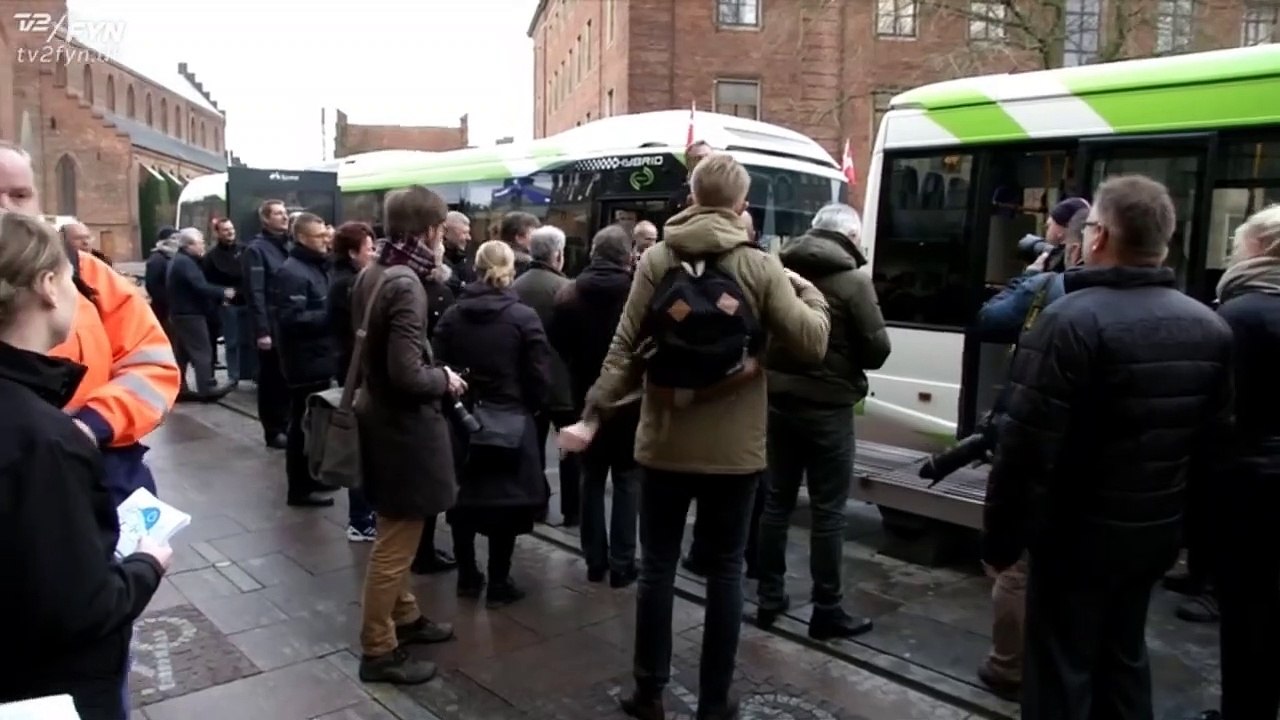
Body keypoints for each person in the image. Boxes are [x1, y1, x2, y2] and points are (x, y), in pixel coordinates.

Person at [560, 153, 831, 720]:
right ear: (741, 204)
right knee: (727, 572)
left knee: (657, 568)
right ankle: (713, 702)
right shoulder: (759, 265)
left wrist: (593, 413)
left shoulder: (657, 258)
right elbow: (811, 345)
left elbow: (624, 347)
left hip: (663, 443)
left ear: (690, 197)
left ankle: (648, 692)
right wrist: (811, 294)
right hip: (736, 452)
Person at [981, 175, 1233, 719]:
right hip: (1153, 536)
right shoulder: (1209, 326)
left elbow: (1024, 451)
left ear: (1099, 236)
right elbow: (1213, 454)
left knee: (1060, 672)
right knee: (1124, 658)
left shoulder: (1069, 321)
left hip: (1074, 539)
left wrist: (1000, 542)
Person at [0, 212, 173, 720]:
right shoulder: (42, 439)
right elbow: (80, 607)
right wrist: (148, 564)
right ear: (50, 286)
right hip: (50, 688)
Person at [0, 141, 179, 508]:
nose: (6, 208)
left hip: (100, 469)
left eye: (20, 194)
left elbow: (153, 365)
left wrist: (90, 424)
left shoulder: (86, 274)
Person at [756, 202, 890, 640]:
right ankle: (826, 609)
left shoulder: (776, 272)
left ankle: (769, 596)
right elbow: (877, 350)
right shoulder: (853, 283)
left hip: (777, 404)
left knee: (776, 502)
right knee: (828, 512)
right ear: (850, 237)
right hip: (828, 410)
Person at [351, 186, 460, 685]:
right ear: (432, 231)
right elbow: (408, 373)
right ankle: (378, 649)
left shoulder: (373, 272)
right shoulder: (407, 284)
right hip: (404, 430)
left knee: (396, 526)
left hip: (380, 421)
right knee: (397, 541)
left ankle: (406, 616)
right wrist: (446, 379)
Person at [1194, 204, 1280, 720]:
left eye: (1239, 244)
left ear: (1261, 249)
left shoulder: (1237, 316)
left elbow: (1215, 414)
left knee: (1247, 613)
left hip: (1249, 490)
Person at [437, 240, 552, 607]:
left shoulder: (453, 315)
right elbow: (538, 374)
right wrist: (531, 408)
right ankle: (500, 582)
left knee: (464, 497)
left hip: (462, 417)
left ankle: (468, 576)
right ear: (510, 270)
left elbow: (438, 363)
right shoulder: (523, 317)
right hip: (510, 418)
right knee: (507, 501)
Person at [547, 224, 640, 587]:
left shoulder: (568, 293)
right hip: (626, 400)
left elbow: (558, 343)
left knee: (592, 478)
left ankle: (594, 560)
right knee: (628, 480)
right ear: (626, 256)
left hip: (583, 395)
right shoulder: (636, 293)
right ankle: (623, 562)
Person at [512, 225, 579, 527]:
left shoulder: (516, 286)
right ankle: (572, 510)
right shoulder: (567, 288)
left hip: (529, 382)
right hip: (564, 383)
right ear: (557, 255)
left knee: (534, 448)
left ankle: (536, 505)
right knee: (569, 449)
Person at [272, 212, 337, 508]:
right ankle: (298, 488)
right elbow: (291, 318)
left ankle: (313, 477)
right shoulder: (293, 272)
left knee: (314, 424)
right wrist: (332, 315)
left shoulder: (315, 267)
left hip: (319, 358)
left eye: (326, 234)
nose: (326, 240)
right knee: (301, 425)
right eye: (318, 236)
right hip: (303, 363)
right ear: (301, 238)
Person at [328, 221, 379, 540]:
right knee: (362, 446)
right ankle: (360, 519)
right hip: (355, 372)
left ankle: (364, 513)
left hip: (353, 369)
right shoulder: (350, 285)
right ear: (352, 252)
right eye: (369, 249)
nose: (373, 255)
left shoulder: (348, 280)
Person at [242, 199, 292, 450]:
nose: (284, 217)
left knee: (287, 378)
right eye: (278, 214)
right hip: (271, 325)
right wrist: (262, 330)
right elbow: (256, 291)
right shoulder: (257, 250)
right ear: (265, 219)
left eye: (285, 213)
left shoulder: (289, 245)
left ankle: (288, 423)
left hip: (287, 323)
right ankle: (274, 430)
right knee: (272, 379)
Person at [165, 228, 235, 402]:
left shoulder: (179, 260)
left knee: (182, 353)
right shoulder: (185, 263)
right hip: (190, 314)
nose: (203, 245)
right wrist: (223, 292)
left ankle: (178, 386)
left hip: (180, 313)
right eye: (200, 242)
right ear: (189, 245)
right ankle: (207, 387)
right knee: (202, 351)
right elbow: (199, 286)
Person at [203, 217, 253, 385]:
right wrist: (221, 296)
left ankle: (250, 372)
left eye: (231, 229)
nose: (230, 232)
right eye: (225, 230)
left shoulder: (246, 250)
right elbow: (207, 282)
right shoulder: (211, 257)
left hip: (248, 301)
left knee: (249, 339)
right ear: (218, 233)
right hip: (228, 304)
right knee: (232, 341)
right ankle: (234, 375)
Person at [143, 228, 179, 334]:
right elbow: (152, 285)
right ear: (165, 241)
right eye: (174, 238)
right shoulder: (157, 260)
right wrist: (169, 299)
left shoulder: (171, 257)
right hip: (163, 310)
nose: (177, 241)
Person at [666, 140, 712, 216]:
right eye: (699, 158)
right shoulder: (678, 198)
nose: (704, 161)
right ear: (688, 163)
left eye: (707, 156)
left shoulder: (727, 190)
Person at [442, 210, 477, 294]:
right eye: (464, 233)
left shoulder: (468, 259)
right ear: (445, 232)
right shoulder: (434, 261)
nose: (469, 238)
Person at [500, 211, 540, 277]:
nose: (537, 239)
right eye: (534, 235)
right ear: (519, 238)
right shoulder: (528, 265)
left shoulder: (490, 259)